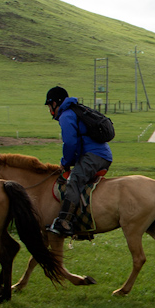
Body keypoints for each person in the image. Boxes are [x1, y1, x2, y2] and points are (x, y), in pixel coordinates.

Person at [45, 86, 113, 237]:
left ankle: (64, 222)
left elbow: (70, 143)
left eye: (49, 106)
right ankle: (81, 221)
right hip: (100, 155)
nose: (49, 110)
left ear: (55, 103)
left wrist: (65, 162)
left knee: (74, 181)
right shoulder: (75, 110)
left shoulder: (66, 116)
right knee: (80, 181)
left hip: (93, 156)